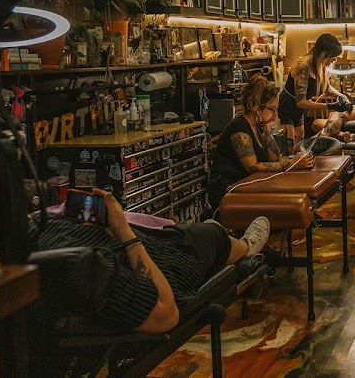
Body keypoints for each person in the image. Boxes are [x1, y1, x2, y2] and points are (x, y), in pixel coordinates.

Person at [30, 188, 271, 334]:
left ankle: (224, 241)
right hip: (171, 264)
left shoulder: (32, 227)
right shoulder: (84, 269)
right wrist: (125, 233)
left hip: (145, 242)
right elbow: (166, 314)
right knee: (212, 236)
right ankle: (246, 247)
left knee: (185, 231)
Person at [209, 74, 314, 209]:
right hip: (228, 190)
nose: (275, 113)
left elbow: (274, 158)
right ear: (257, 108)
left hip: (248, 185)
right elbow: (252, 167)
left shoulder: (257, 126)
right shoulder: (240, 129)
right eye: (271, 109)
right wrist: (292, 164)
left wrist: (267, 129)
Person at [278, 33, 353, 144]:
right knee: (289, 143)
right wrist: (330, 106)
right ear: (324, 54)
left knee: (299, 141)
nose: (334, 61)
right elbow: (300, 102)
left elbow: (326, 87)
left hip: (299, 111)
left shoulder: (320, 65)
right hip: (287, 108)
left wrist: (341, 96)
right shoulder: (303, 66)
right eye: (333, 58)